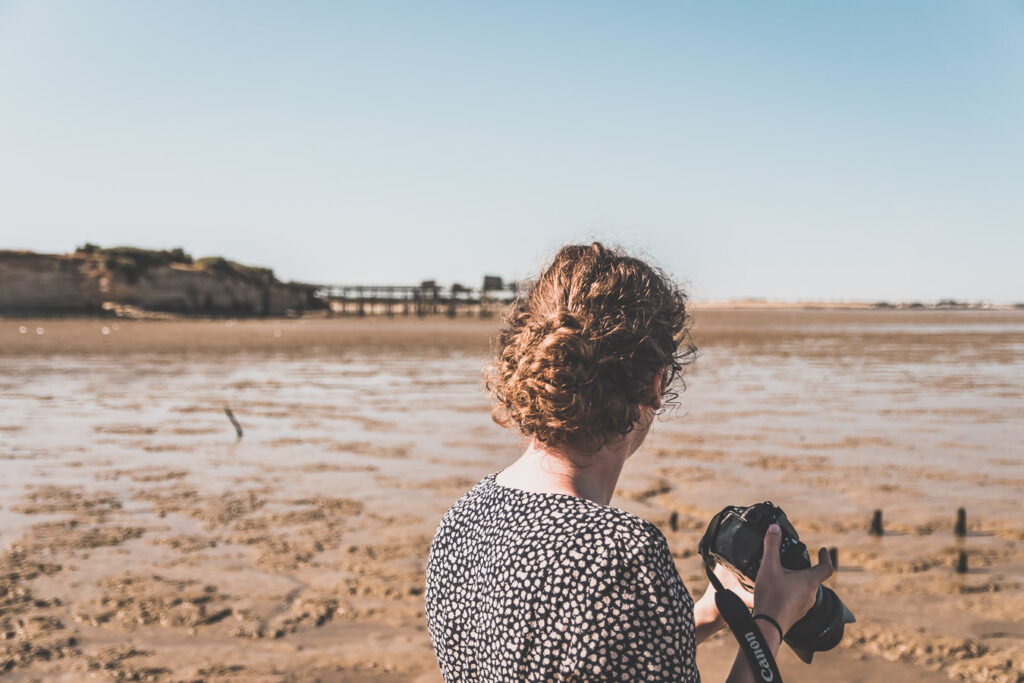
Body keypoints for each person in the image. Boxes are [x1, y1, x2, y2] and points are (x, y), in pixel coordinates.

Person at [425, 243, 832, 681]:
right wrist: (772, 621)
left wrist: (709, 612)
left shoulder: (464, 517)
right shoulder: (619, 558)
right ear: (655, 384)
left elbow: (570, 662)